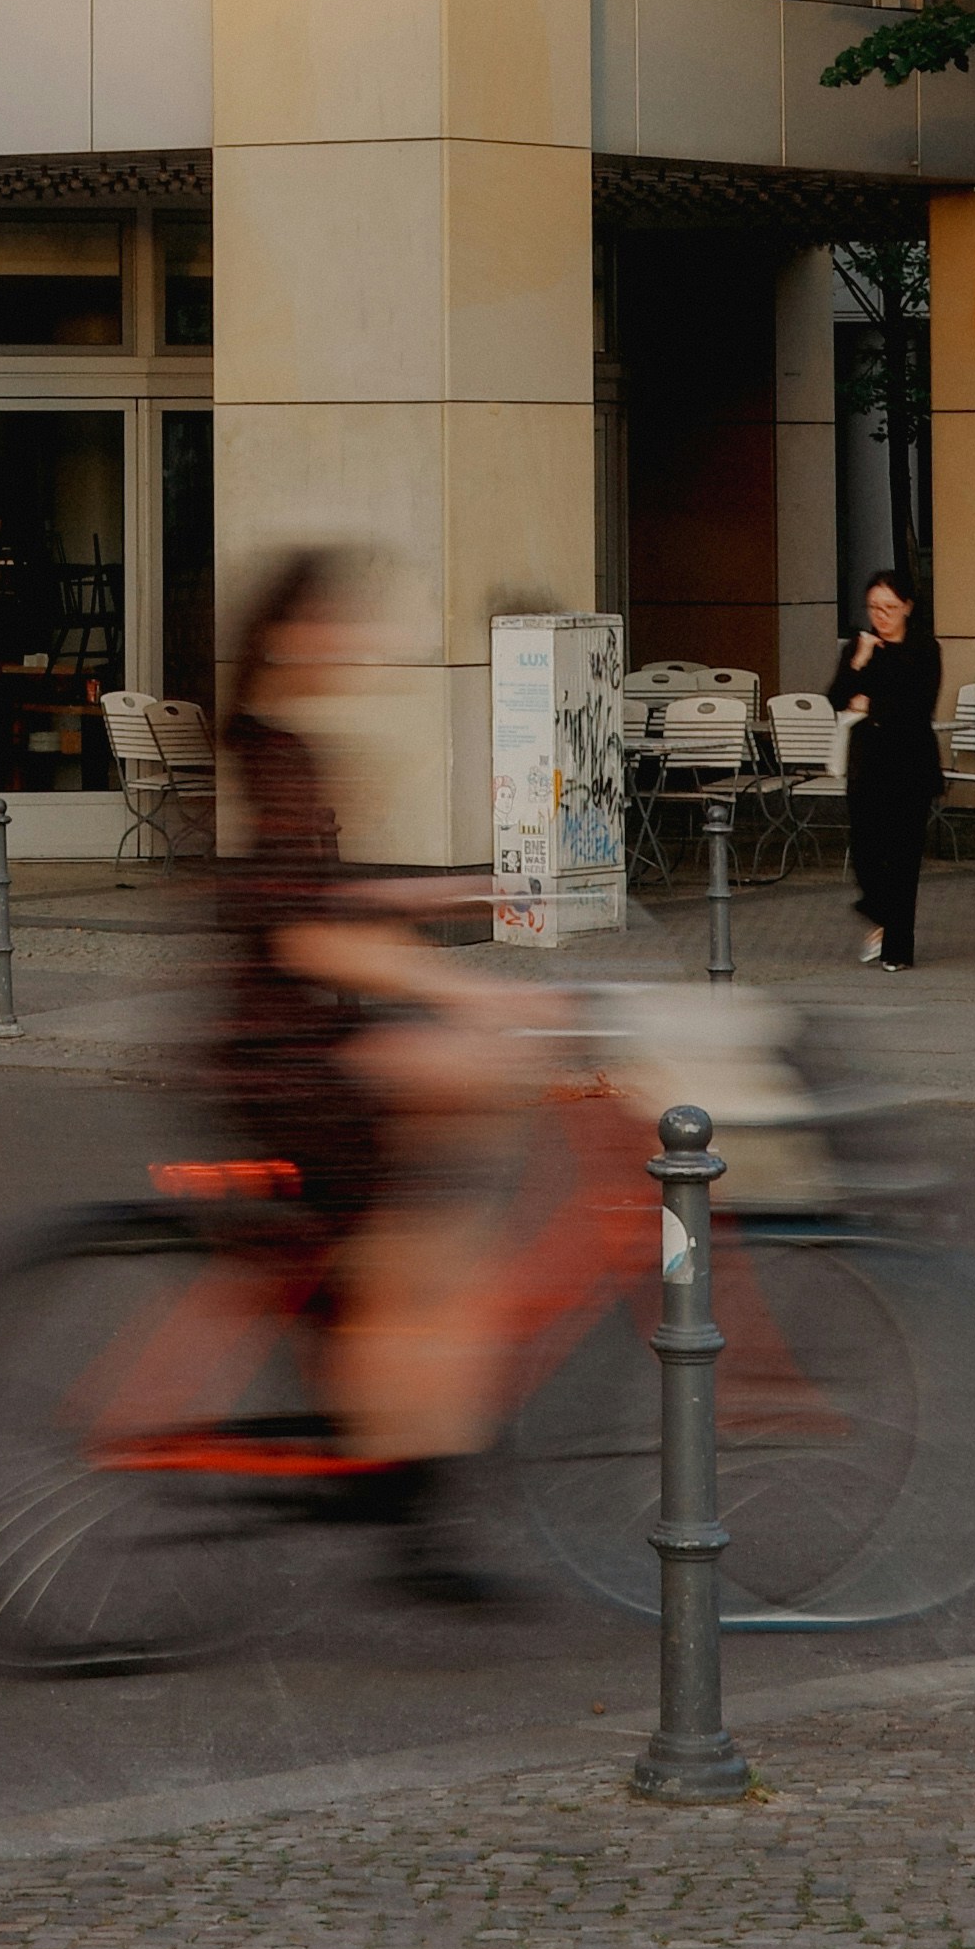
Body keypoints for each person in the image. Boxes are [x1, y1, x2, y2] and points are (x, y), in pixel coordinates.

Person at [208, 549, 554, 1606]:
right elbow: (301, 933)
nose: (357, 643)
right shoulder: (277, 756)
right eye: (339, 624)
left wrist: (448, 889)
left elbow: (314, 893)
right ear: (290, 636)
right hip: (286, 1058)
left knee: (444, 1155)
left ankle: (401, 1462)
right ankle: (412, 1475)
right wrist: (470, 994)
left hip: (288, 1041)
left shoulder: (282, 749)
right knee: (432, 1240)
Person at [830, 577, 944, 971]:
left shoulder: (924, 648)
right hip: (867, 764)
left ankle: (898, 948)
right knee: (865, 851)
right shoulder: (859, 647)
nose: (881, 616)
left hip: (910, 763)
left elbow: (919, 704)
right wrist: (859, 663)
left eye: (889, 608)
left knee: (903, 858)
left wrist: (870, 704)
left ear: (907, 607)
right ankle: (879, 912)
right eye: (874, 608)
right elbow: (834, 697)